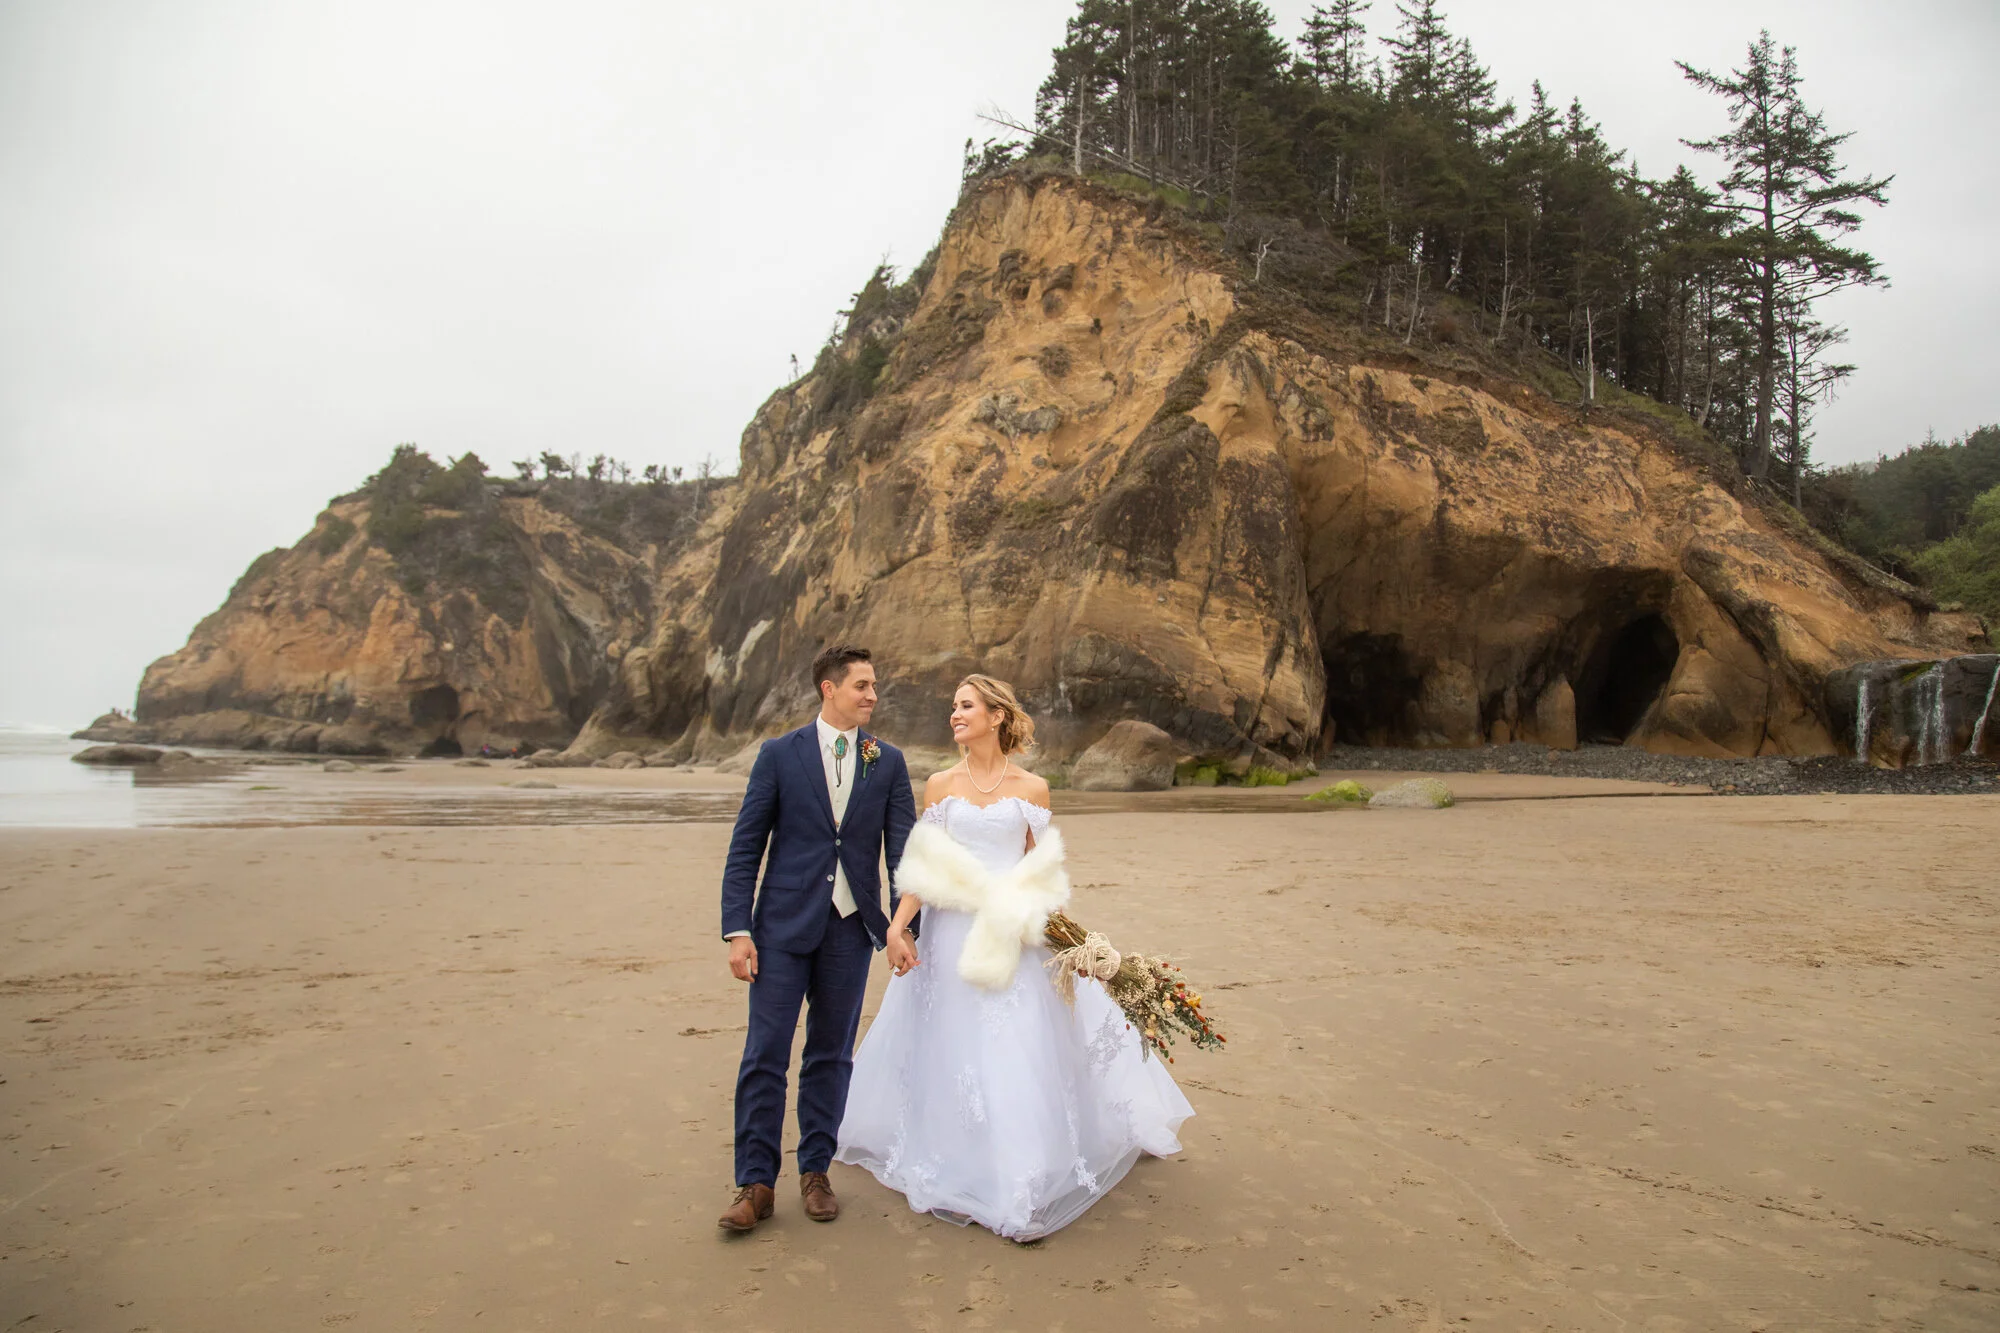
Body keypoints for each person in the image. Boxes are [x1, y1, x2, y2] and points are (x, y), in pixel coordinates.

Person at [835, 674, 1192, 1241]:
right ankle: (960, 1156)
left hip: (1012, 936)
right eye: (953, 706)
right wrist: (898, 929)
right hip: (950, 936)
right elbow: (925, 873)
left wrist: (1068, 942)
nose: (954, 714)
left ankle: (1018, 1178)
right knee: (954, 1046)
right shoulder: (938, 786)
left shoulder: (1032, 789)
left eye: (966, 705)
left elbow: (1041, 877)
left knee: (1015, 1047)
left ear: (996, 716)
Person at [716, 644, 917, 1232]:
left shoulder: (889, 761)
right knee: (765, 1056)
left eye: (874, 686)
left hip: (850, 931)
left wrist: (904, 928)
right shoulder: (780, 754)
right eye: (862, 686)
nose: (872, 695)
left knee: (830, 1055)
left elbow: (901, 851)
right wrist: (738, 930)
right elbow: (746, 845)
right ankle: (754, 1184)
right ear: (829, 689)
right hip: (779, 929)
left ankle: (815, 1173)